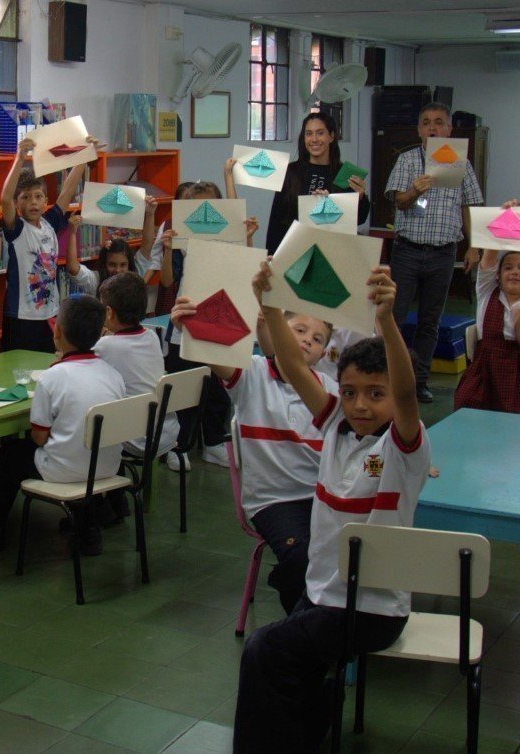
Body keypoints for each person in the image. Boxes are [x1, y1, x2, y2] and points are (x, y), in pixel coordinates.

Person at [234, 261, 428, 752]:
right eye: (351, 392)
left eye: (375, 395)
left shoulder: (403, 447)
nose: (361, 405)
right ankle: (306, 733)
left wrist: (385, 320)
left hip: (370, 609)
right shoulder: (336, 426)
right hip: (328, 595)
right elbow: (296, 367)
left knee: (264, 650)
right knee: (290, 659)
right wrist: (271, 305)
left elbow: (405, 393)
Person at [172, 291, 335, 613]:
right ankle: (303, 632)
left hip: (323, 498)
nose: (306, 341)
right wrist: (188, 324)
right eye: (299, 330)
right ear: (278, 331)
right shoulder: (254, 374)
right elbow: (212, 352)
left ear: (322, 353)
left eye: (317, 339)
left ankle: (314, 617)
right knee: (301, 558)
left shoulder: (329, 389)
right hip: (273, 500)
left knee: (349, 554)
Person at [0, 296, 126, 555]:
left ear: (56, 331)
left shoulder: (53, 377)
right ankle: (88, 529)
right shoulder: (113, 375)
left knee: (10, 455)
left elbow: (38, 438)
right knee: (77, 449)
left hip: (66, 471)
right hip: (107, 466)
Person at [384, 102, 484, 402]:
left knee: (430, 322)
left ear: (449, 129)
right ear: (419, 130)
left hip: (443, 253)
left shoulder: (460, 163)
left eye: (439, 122)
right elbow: (398, 201)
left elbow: (470, 205)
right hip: (407, 251)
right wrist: (415, 191)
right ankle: (391, 379)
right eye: (426, 122)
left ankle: (419, 382)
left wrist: (474, 246)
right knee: (395, 319)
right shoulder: (407, 160)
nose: (432, 128)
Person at [160, 179, 258, 468]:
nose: (205, 212)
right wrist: (167, 248)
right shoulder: (181, 237)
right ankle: (177, 445)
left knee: (218, 386)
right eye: (197, 206)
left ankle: (214, 440)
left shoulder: (230, 236)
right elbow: (166, 281)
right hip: (185, 322)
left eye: (212, 206)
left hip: (221, 318)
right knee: (185, 386)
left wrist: (248, 236)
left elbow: (246, 270)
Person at [93, 272, 179, 524]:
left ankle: (101, 507)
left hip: (136, 437)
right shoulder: (151, 336)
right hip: (164, 429)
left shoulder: (107, 346)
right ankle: (117, 501)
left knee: (89, 425)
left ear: (108, 313)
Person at [0, 137, 95, 354]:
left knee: (47, 365)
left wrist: (84, 156)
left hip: (50, 314)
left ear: (45, 201)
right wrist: (19, 158)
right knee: (17, 370)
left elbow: (68, 191)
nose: (33, 202)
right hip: (21, 317)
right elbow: (5, 199)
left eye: (38, 196)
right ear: (17, 203)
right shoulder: (17, 229)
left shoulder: (50, 222)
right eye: (25, 197)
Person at [452, 246, 520, 415]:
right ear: (497, 275)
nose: (514, 272)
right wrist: (499, 229)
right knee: (466, 406)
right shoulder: (486, 292)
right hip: (484, 371)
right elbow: (488, 259)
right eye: (508, 267)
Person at [264, 112, 371, 254]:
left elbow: (358, 220)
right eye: (309, 134)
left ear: (331, 136)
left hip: (331, 252)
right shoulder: (291, 171)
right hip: (294, 251)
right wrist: (271, 255)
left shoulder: (344, 174)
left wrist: (361, 198)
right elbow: (277, 219)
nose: (314, 139)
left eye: (320, 133)